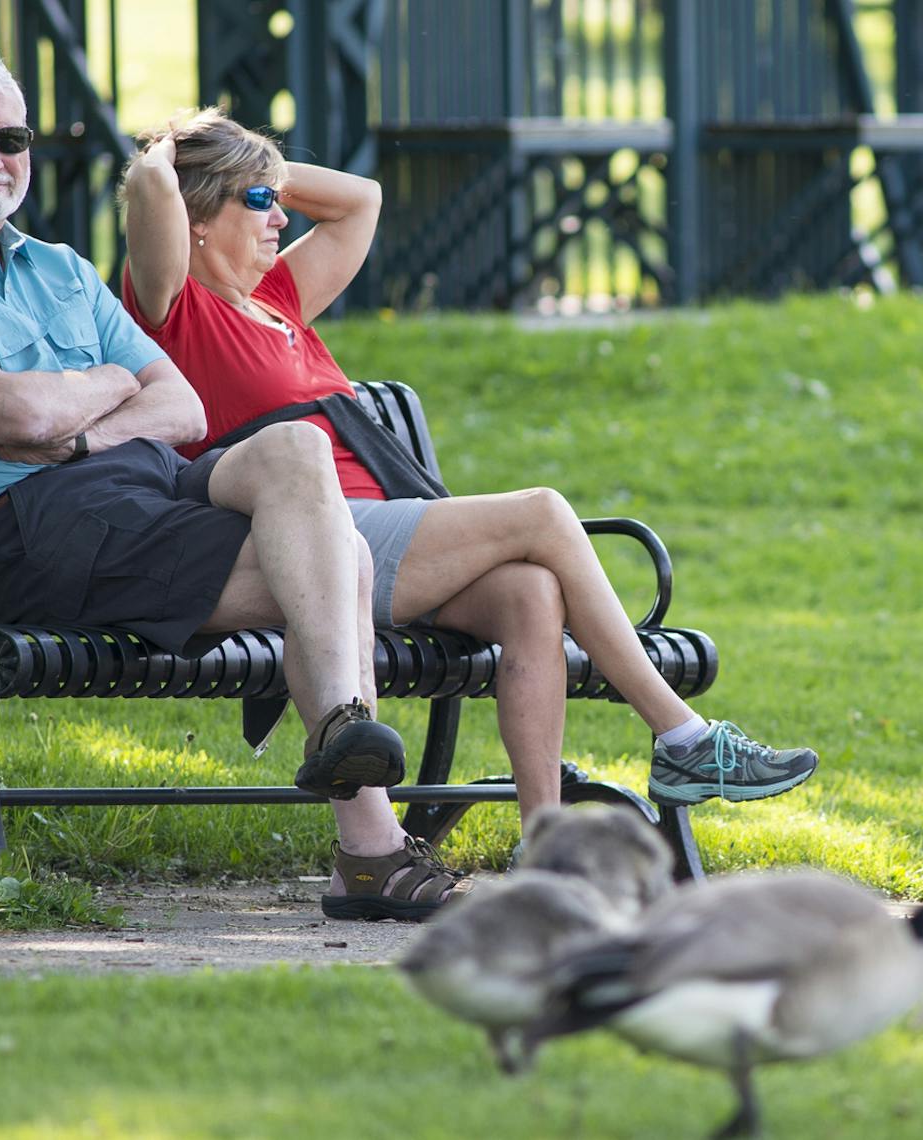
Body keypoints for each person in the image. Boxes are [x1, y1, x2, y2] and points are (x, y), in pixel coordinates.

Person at [0, 52, 468, 922]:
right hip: (39, 528)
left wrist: (82, 425)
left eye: (11, 137)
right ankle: (366, 832)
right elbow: (16, 416)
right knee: (341, 561)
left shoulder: (57, 268)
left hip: (146, 486)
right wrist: (102, 386)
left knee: (294, 451)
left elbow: (180, 403)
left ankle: (345, 744)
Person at [116, 109, 820, 833]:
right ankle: (684, 738)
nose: (279, 218)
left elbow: (363, 198)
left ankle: (544, 841)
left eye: (277, 199)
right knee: (543, 511)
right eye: (259, 203)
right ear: (198, 216)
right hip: (323, 541)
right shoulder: (173, 309)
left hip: (391, 526)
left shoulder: (279, 300)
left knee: (531, 592)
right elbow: (153, 188)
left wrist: (257, 174)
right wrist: (178, 154)